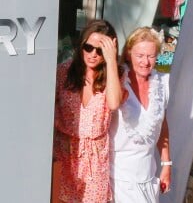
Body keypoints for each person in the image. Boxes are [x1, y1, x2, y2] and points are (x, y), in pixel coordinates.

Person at [53, 19, 126, 203]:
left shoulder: (114, 74)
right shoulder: (64, 72)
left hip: (95, 159)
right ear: (81, 45)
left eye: (100, 50)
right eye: (88, 47)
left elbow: (114, 103)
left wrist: (111, 61)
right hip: (64, 152)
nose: (93, 54)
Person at [109, 27, 172, 203]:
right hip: (118, 177)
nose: (145, 62)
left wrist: (166, 164)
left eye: (151, 56)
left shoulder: (162, 83)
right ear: (129, 54)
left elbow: (162, 125)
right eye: (140, 55)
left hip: (147, 176)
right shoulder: (116, 82)